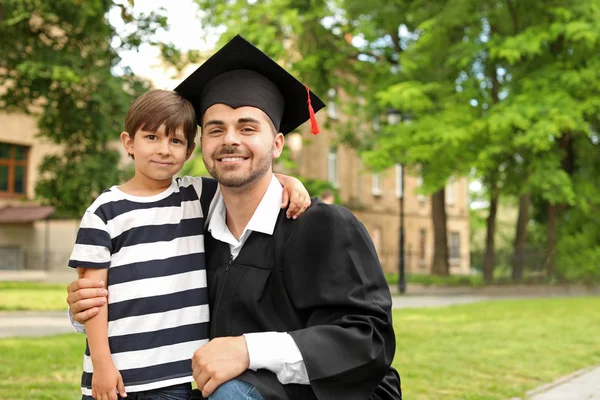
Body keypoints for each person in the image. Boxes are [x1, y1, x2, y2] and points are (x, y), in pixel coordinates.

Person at [68, 35, 402, 400]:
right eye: (215, 129)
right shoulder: (195, 227)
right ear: (203, 148)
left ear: (276, 144)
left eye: (247, 128)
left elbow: (368, 340)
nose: (230, 140)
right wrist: (88, 305)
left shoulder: (323, 226)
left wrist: (248, 349)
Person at [67, 88, 311, 400]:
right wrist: (102, 365)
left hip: (175, 377)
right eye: (152, 137)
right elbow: (92, 298)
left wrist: (288, 182)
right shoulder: (105, 211)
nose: (164, 150)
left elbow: (248, 183)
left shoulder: (195, 196)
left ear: (190, 150)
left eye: (176, 141)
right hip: (116, 375)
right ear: (129, 142)